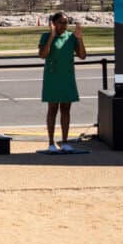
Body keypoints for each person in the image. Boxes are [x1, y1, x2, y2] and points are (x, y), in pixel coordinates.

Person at [39, 11, 86, 152]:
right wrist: (51, 37)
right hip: (53, 78)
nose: (64, 26)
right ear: (53, 23)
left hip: (67, 78)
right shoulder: (46, 36)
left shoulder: (71, 37)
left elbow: (83, 55)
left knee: (66, 110)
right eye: (61, 22)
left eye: (66, 23)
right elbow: (43, 55)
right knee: (52, 110)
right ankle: (51, 142)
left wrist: (79, 38)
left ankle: (65, 142)